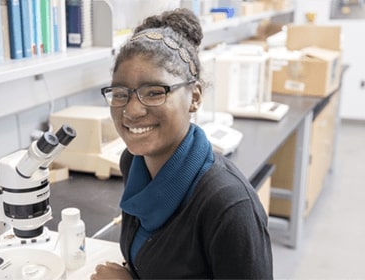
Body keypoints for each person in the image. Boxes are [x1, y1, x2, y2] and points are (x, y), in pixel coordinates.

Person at [91, 8, 273, 279]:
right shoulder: (134, 163)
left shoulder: (228, 206)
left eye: (154, 92)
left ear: (195, 96)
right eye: (120, 93)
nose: (131, 110)